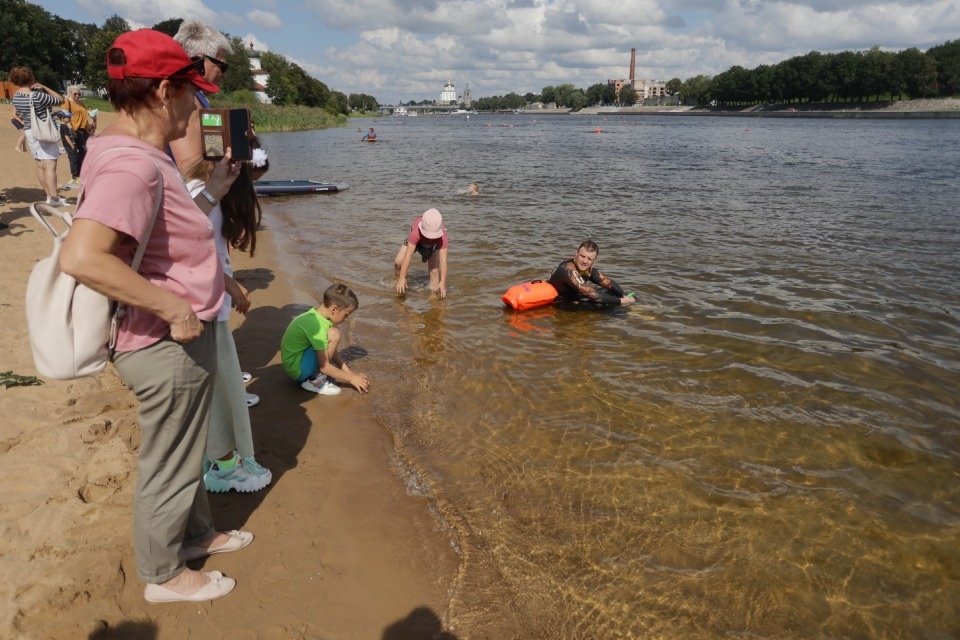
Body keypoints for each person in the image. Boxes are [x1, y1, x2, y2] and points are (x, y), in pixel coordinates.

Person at [58, 28, 248, 604]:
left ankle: (194, 536)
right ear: (165, 91)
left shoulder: (133, 152)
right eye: (192, 93)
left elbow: (160, 230)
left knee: (184, 448)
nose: (198, 106)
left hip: (173, 333)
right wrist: (172, 306)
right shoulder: (133, 164)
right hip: (163, 340)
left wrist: (212, 191)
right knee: (169, 460)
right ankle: (164, 574)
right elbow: (83, 255)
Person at [172, 19, 272, 494]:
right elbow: (182, 177)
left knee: (218, 367)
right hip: (195, 244)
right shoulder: (180, 103)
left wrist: (233, 150)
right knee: (213, 368)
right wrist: (229, 155)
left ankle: (221, 458)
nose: (224, 74)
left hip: (204, 237)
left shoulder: (199, 102)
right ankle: (222, 464)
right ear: (197, 58)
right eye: (220, 64)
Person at [280, 284, 370, 396]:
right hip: (298, 370)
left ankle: (314, 375)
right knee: (334, 334)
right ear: (334, 309)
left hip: (295, 363)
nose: (346, 319)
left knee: (332, 335)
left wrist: (350, 373)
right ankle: (315, 381)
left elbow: (329, 348)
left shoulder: (316, 317)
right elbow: (325, 367)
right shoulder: (317, 326)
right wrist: (351, 379)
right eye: (346, 314)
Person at [8, 66, 67, 206]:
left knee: (40, 164)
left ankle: (49, 196)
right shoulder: (37, 95)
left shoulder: (16, 96)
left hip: (29, 131)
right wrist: (45, 87)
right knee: (50, 165)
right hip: (43, 130)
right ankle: (54, 199)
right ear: (30, 77)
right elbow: (61, 100)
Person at [548, 240, 636, 306]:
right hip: (562, 303)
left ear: (594, 260)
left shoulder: (588, 269)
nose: (585, 261)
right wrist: (622, 301)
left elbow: (608, 283)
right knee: (601, 305)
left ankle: (635, 308)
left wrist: (624, 295)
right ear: (576, 254)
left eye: (589, 259)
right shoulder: (567, 269)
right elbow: (592, 294)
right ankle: (633, 313)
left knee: (608, 291)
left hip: (576, 298)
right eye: (582, 256)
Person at [394, 208, 449, 298]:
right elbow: (408, 255)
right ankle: (399, 284)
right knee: (398, 262)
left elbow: (443, 260)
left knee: (434, 271)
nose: (430, 238)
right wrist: (402, 277)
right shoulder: (416, 232)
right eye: (428, 235)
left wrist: (443, 282)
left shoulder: (442, 237)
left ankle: (434, 302)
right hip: (417, 242)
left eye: (433, 236)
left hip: (434, 246)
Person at [60, 85, 95, 187]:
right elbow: (65, 117)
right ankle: (76, 176)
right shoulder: (67, 102)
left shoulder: (81, 103)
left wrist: (90, 127)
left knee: (85, 152)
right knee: (78, 152)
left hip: (83, 130)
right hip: (75, 130)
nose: (77, 96)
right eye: (75, 93)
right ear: (70, 93)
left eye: (79, 94)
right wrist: (71, 129)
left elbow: (84, 117)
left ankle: (81, 174)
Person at [55, 110, 80, 188]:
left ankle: (76, 177)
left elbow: (74, 135)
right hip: (69, 146)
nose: (70, 118)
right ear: (62, 118)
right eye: (68, 117)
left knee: (75, 160)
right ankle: (74, 178)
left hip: (72, 145)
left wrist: (72, 129)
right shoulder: (64, 127)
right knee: (73, 161)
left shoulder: (67, 126)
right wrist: (72, 146)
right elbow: (66, 137)